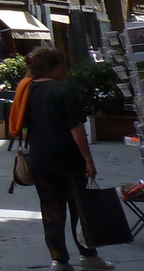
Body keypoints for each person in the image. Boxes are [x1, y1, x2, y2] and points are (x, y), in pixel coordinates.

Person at [20, 45, 116, 271]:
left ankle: (58, 260)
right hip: (69, 161)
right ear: (53, 67)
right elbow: (77, 129)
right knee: (80, 210)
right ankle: (89, 256)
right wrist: (88, 160)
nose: (66, 69)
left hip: (40, 161)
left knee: (51, 211)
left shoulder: (26, 90)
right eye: (63, 64)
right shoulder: (64, 90)